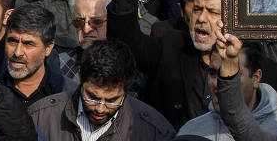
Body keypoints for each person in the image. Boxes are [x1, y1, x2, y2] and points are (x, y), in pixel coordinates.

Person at [30, 39, 176, 140]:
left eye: (112, 100)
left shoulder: (154, 131)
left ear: (127, 87)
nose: (100, 109)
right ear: (80, 77)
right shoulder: (40, 118)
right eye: (92, 97)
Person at [178, 43, 277, 140]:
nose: (218, 84)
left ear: (256, 78)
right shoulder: (191, 131)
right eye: (212, 73)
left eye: (231, 76)